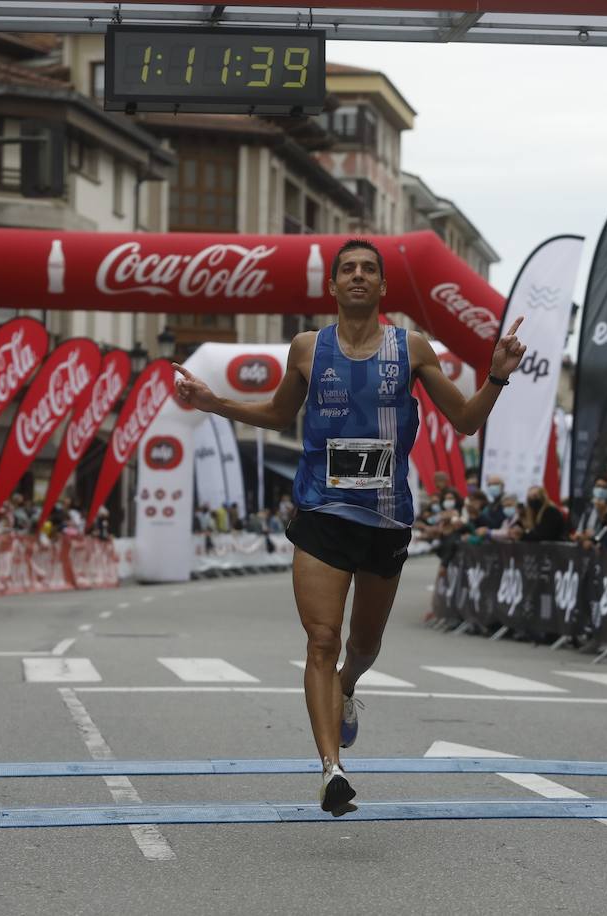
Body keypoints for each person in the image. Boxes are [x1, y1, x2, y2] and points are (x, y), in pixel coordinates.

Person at [172, 238, 527, 817]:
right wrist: (215, 403)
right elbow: (279, 416)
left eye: (369, 270)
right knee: (320, 638)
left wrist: (496, 377)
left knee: (363, 647)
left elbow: (464, 422)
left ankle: (350, 685)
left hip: (386, 518)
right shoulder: (308, 349)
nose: (358, 276)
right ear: (333, 287)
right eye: (348, 270)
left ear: (383, 288)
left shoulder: (411, 348)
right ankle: (332, 770)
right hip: (322, 513)